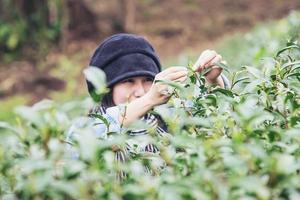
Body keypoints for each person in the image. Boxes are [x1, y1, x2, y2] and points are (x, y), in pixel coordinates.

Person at [67, 33, 230, 173]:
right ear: (106, 89)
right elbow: (78, 151)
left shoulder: (168, 119)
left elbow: (213, 116)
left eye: (147, 80)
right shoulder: (86, 128)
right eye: (129, 81)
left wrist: (212, 80)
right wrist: (150, 99)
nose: (141, 91)